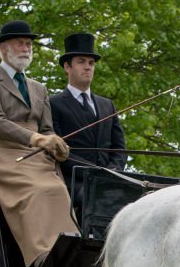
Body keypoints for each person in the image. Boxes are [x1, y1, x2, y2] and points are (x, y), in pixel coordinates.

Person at [0, 20, 78, 267]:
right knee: (36, 189)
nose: (26, 48)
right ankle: (41, 255)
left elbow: (47, 129)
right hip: (0, 148)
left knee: (58, 189)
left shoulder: (39, 88)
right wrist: (36, 139)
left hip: (36, 152)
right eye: (20, 43)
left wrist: (55, 145)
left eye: (29, 44)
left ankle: (67, 249)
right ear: (3, 48)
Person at [50, 33, 126, 202]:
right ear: (67, 67)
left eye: (91, 63)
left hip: (111, 179)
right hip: (73, 182)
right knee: (97, 198)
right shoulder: (53, 104)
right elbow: (58, 151)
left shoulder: (108, 105)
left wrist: (113, 171)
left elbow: (120, 148)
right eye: (81, 62)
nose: (88, 67)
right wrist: (93, 172)